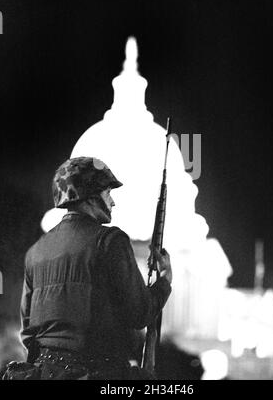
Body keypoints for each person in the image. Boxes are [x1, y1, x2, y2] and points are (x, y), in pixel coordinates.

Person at [16, 156, 172, 380]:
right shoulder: (110, 241)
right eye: (108, 193)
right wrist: (165, 280)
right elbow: (140, 313)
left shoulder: (35, 252)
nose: (112, 202)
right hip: (98, 372)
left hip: (45, 372)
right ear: (89, 195)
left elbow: (28, 332)